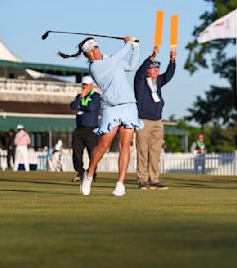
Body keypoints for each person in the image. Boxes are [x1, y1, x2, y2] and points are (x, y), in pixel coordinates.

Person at [59, 36, 142, 196]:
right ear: (87, 55)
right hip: (111, 108)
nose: (94, 52)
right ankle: (88, 175)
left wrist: (135, 47)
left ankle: (120, 184)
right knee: (103, 146)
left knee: (125, 146)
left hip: (129, 106)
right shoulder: (95, 67)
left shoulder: (111, 58)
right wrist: (128, 44)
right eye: (90, 52)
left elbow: (131, 66)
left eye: (95, 48)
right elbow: (118, 58)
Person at [134, 45, 176, 190]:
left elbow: (169, 75)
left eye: (158, 68)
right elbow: (139, 72)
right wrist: (151, 57)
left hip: (158, 121)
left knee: (155, 152)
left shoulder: (158, 83)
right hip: (143, 121)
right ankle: (142, 180)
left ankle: (154, 179)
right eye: (153, 68)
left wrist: (172, 60)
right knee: (142, 152)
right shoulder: (140, 82)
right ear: (148, 70)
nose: (157, 70)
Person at [69, 75, 101, 182]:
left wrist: (80, 106)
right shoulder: (80, 96)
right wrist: (81, 98)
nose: (84, 87)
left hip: (91, 129)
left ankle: (92, 173)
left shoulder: (96, 96)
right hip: (79, 128)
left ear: (91, 86)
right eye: (83, 85)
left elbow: (91, 108)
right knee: (76, 151)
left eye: (86, 85)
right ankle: (80, 171)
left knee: (92, 152)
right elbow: (73, 106)